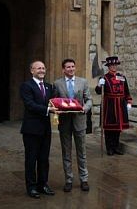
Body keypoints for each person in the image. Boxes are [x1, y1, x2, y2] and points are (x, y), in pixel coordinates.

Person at [19, 60, 58, 199]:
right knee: (31, 159)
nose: (41, 70)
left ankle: (43, 184)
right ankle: (31, 187)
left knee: (44, 159)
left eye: (43, 68)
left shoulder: (48, 87)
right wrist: (48, 109)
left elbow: (55, 101)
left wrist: (67, 105)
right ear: (32, 71)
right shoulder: (26, 86)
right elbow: (30, 105)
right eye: (38, 68)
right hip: (31, 129)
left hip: (45, 129)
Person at [53, 58, 92, 192]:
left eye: (73, 66)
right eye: (68, 67)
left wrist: (85, 108)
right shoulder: (57, 83)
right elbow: (55, 100)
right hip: (64, 122)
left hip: (79, 121)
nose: (71, 69)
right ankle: (68, 180)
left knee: (82, 152)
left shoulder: (83, 82)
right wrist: (56, 109)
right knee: (66, 153)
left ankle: (84, 179)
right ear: (63, 69)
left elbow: (89, 99)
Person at [95, 56, 133, 155]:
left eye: (115, 65)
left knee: (118, 128)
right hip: (110, 105)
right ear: (108, 67)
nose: (114, 67)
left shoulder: (122, 77)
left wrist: (128, 102)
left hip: (120, 104)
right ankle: (109, 148)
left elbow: (126, 91)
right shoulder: (104, 78)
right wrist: (99, 85)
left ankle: (116, 147)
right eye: (112, 65)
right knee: (109, 128)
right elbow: (98, 92)